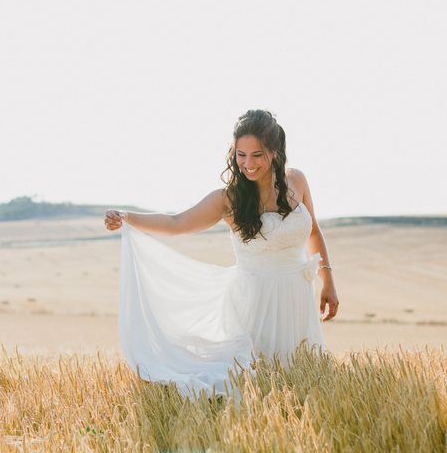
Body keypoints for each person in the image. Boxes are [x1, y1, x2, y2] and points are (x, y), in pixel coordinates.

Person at [104, 109, 339, 399]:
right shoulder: (227, 199)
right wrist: (128, 217)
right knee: (253, 381)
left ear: (276, 152)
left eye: (257, 155)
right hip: (256, 301)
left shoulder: (297, 181)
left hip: (297, 293)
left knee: (303, 379)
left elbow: (314, 231)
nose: (248, 164)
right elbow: (177, 223)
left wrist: (328, 280)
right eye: (241, 154)